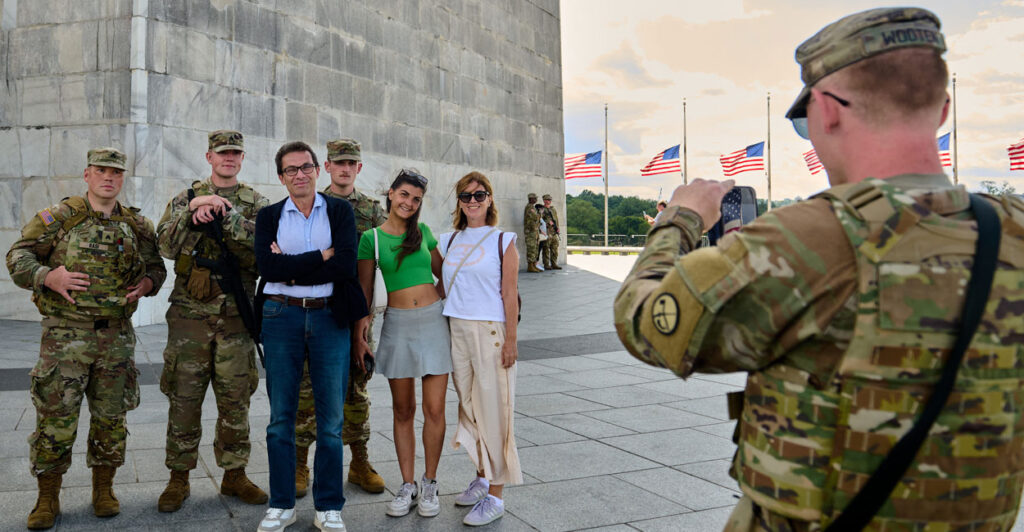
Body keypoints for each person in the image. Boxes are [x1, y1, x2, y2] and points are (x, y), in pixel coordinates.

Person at [614, 7, 1024, 532]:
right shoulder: (1012, 232)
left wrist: (680, 220)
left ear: (827, 110)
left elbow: (644, 324)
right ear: (942, 111)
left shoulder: (806, 239)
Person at [6, 147, 167, 529]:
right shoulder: (59, 217)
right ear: (87, 174)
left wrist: (146, 283)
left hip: (115, 338)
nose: (108, 178)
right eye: (101, 171)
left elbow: (157, 269)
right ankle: (47, 497)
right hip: (66, 338)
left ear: (122, 178)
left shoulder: (138, 225)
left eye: (115, 172)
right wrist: (49, 277)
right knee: (55, 419)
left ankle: (103, 489)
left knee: (111, 419)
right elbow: (17, 256)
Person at [254, 141, 368, 532]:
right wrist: (320, 257)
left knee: (331, 420)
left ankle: (328, 506)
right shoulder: (269, 216)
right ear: (281, 176)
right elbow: (266, 267)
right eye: (290, 170)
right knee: (280, 417)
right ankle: (281, 504)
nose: (299, 175)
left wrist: (290, 267)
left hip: (327, 319)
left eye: (306, 167)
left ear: (318, 170)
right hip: (280, 316)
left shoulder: (338, 211)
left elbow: (345, 265)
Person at [155, 130, 270, 512]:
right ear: (209, 157)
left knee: (235, 401)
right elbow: (166, 246)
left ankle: (234, 474)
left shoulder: (256, 202)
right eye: (222, 153)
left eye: (235, 153)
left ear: (242, 158)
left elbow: (266, 251)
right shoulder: (185, 197)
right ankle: (178, 478)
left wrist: (229, 215)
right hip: (189, 317)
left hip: (236, 316)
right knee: (184, 399)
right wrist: (194, 210)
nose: (229, 159)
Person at [292, 138, 387, 498]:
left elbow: (387, 255)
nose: (345, 168)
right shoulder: (311, 205)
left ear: (359, 168)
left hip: (356, 314)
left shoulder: (373, 212)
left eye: (352, 163)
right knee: (306, 387)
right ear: (325, 167)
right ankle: (301, 463)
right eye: (338, 162)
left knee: (356, 388)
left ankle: (359, 462)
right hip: (314, 309)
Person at [355, 169, 451, 519]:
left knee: (435, 410)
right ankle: (407, 484)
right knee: (403, 410)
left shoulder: (423, 233)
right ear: (391, 194)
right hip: (396, 326)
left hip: (432, 324)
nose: (409, 203)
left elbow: (446, 273)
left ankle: (430, 482)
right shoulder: (372, 239)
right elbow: (364, 293)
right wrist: (360, 337)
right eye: (404, 195)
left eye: (416, 199)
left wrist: (436, 304)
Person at [438, 172, 523, 526]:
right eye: (466, 195)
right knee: (470, 408)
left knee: (495, 411)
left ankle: (496, 495)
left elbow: (509, 294)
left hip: (490, 332)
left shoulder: (503, 241)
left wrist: (511, 341)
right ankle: (482, 475)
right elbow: (439, 285)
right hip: (456, 329)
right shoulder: (447, 240)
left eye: (479, 194)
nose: (472, 201)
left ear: (490, 199)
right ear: (458, 201)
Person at [540, 194, 561, 270]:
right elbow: (539, 220)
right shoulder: (542, 209)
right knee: (546, 248)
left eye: (550, 200)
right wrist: (547, 221)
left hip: (554, 231)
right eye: (547, 200)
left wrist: (558, 228)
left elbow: (556, 219)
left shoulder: (553, 209)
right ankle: (546, 264)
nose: (548, 201)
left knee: (555, 248)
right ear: (544, 200)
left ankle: (554, 263)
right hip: (547, 231)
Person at [523, 192, 542, 273]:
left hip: (534, 231)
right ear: (531, 199)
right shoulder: (529, 207)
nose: (536, 199)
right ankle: (530, 266)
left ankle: (533, 265)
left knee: (535, 249)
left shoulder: (533, 207)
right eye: (535, 198)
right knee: (531, 248)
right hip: (530, 232)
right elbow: (535, 217)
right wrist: (539, 214)